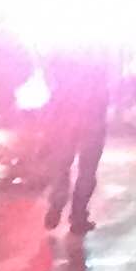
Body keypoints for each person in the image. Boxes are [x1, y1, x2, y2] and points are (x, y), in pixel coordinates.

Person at [37, 38, 115, 237]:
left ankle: (57, 204)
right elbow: (109, 86)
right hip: (91, 119)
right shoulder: (98, 57)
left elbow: (49, 80)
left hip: (65, 118)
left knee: (61, 166)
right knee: (87, 170)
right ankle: (78, 215)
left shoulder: (59, 56)